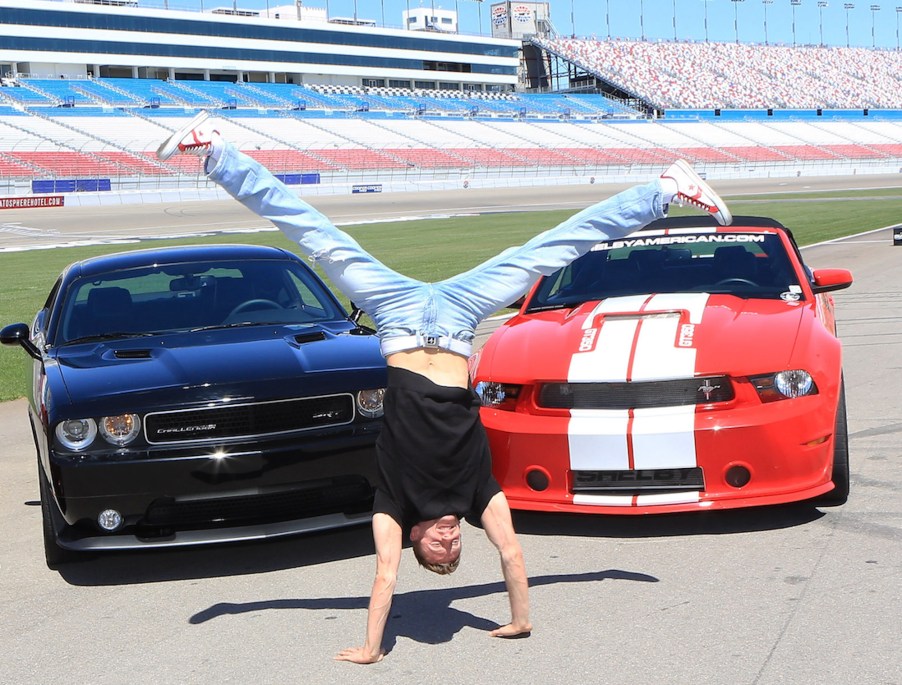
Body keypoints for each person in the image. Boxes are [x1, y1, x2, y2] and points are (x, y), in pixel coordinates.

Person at [157, 111, 732, 663]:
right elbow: (511, 552)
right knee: (551, 251)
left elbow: (384, 578)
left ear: (416, 540)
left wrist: (371, 648)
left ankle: (213, 152)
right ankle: (663, 190)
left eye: (439, 549)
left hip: (398, 316)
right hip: (457, 322)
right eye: (456, 549)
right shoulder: (478, 496)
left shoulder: (393, 507)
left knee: (317, 235)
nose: (452, 541)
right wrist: (521, 618)